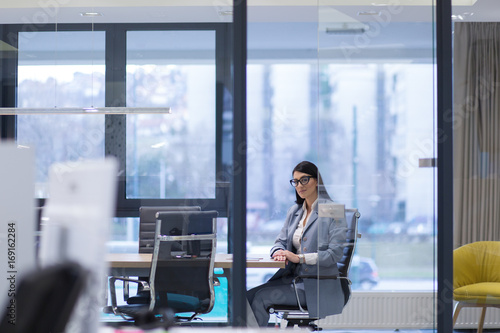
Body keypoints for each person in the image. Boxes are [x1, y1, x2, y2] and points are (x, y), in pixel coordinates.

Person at [247, 161, 347, 327]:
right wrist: (278, 251)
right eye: (295, 181)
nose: (299, 185)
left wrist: (299, 258)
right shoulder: (295, 211)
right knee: (246, 297)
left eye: (304, 180)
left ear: (316, 181)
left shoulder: (332, 210)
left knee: (259, 298)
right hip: (292, 280)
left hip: (316, 285)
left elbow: (334, 254)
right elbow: (279, 241)